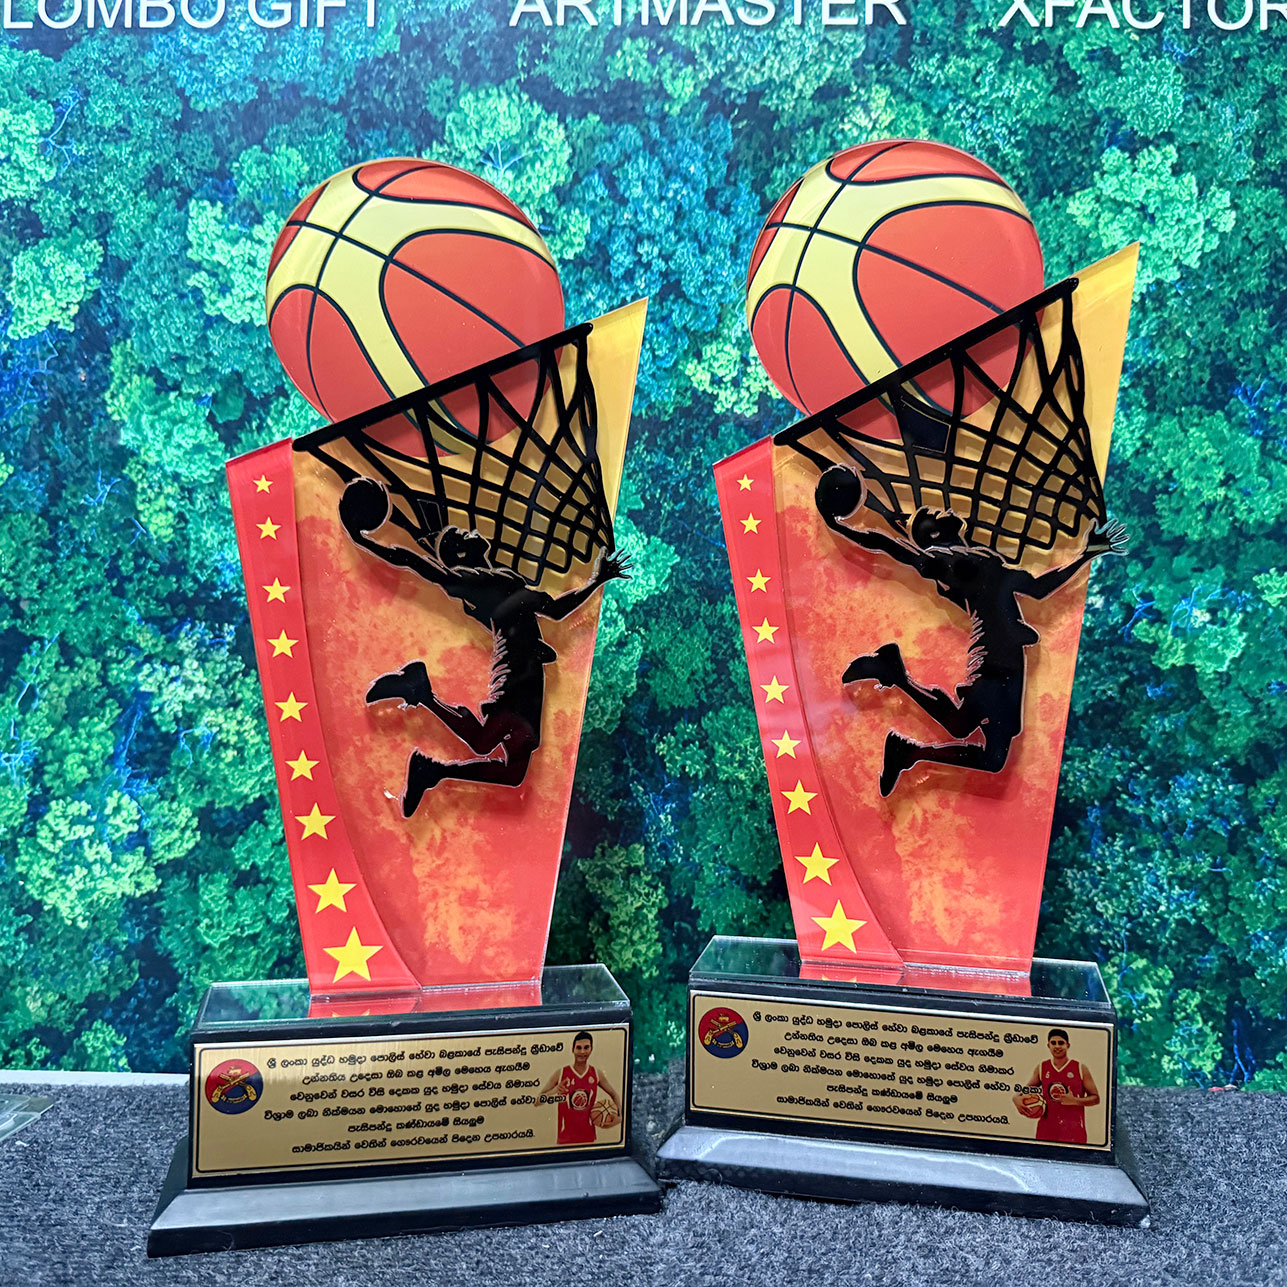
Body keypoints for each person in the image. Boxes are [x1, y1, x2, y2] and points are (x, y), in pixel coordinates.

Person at [815, 464, 1126, 796]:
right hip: (994, 656)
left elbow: (1037, 588)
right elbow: (892, 547)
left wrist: (1085, 554)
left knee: (993, 758)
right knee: (962, 726)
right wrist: (840, 527)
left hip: (1010, 658)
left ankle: (907, 749)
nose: (945, 510)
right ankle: (895, 679)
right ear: (934, 535)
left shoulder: (984, 560)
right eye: (933, 514)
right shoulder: (948, 563)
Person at [339, 477, 628, 816]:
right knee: (483, 742)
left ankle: (431, 768)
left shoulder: (504, 580)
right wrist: (365, 541)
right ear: (462, 555)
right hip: (516, 673)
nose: (471, 531)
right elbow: (415, 563)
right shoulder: (471, 582)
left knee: (513, 773)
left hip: (530, 673)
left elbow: (555, 609)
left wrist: (596, 580)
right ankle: (420, 694)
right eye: (462, 535)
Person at [1014, 1028, 1100, 1145]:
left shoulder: (1080, 1068)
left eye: (1061, 1043)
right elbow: (1024, 1090)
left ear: (1068, 1045)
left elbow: (1095, 1098)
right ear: (1048, 1045)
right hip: (1046, 1129)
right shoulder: (1042, 1067)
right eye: (1053, 1043)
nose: (1057, 1046)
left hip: (1073, 1130)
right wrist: (1016, 1098)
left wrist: (1075, 1101)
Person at [537, 1031, 622, 1146]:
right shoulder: (561, 1073)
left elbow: (614, 1095)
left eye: (586, 1047)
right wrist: (554, 1091)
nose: (582, 1052)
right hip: (565, 1137)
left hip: (589, 1136)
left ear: (591, 1049)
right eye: (578, 1048)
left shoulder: (596, 1073)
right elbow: (537, 1101)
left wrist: (619, 1117)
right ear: (573, 1049)